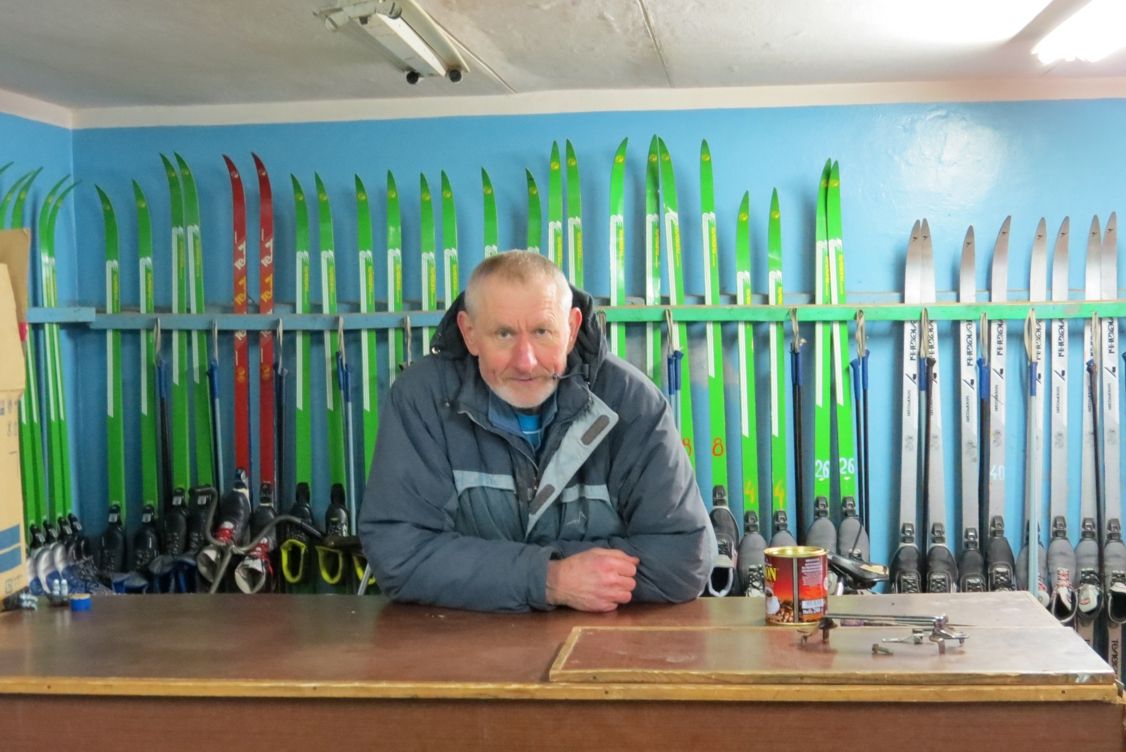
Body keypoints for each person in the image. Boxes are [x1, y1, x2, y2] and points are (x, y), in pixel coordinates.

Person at [359, 250, 714, 612]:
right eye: (504, 334)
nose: (525, 362)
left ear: (571, 329)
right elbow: (399, 554)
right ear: (469, 333)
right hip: (461, 640)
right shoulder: (422, 399)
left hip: (602, 641)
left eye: (542, 331)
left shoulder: (631, 403)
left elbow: (685, 557)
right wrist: (548, 578)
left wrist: (501, 571)